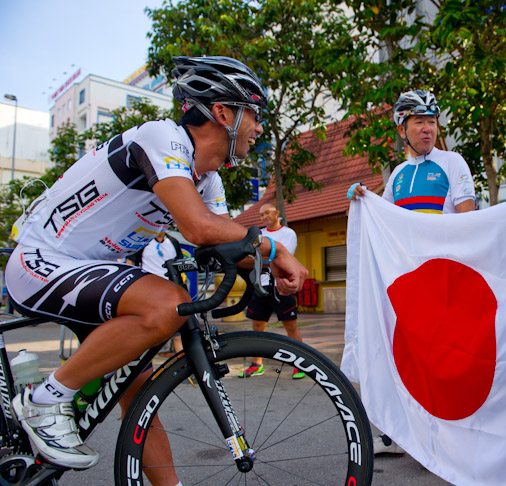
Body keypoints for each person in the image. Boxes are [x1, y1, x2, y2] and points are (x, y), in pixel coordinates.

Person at [5, 56, 308, 485]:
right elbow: (198, 226)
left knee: (140, 395)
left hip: (93, 273)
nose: (258, 127)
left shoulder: (208, 180)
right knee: (169, 304)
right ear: (222, 112)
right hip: (43, 262)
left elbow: (220, 243)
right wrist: (276, 250)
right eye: (253, 113)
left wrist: (263, 264)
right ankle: (44, 399)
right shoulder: (162, 137)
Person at [349, 89, 477, 455]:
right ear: (402, 129)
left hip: (444, 281)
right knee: (408, 361)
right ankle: (405, 435)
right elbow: (383, 225)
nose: (428, 129)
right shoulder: (398, 176)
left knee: (443, 364)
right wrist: (361, 202)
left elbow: (469, 221)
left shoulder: (452, 163)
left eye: (432, 122)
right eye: (419, 122)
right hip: (410, 287)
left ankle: (448, 440)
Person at [240, 203, 305, 379]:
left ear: (276, 213)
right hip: (260, 286)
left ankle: (299, 363)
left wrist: (260, 259)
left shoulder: (288, 233)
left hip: (281, 286)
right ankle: (256, 364)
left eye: (267, 213)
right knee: (257, 327)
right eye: (261, 215)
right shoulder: (259, 235)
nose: (264, 217)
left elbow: (283, 258)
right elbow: (250, 258)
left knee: (290, 326)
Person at [126, 231, 185, 354]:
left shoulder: (172, 242)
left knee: (178, 331)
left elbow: (180, 265)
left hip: (170, 290)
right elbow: (130, 262)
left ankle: (183, 365)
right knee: (147, 329)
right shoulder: (144, 241)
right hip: (148, 290)